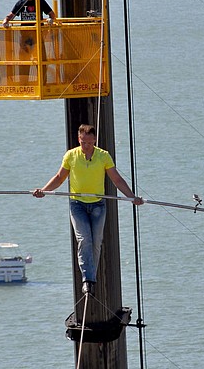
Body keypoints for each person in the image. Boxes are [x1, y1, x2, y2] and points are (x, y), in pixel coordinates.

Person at [33, 124, 144, 296]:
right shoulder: (71, 155)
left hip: (98, 204)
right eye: (83, 142)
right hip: (77, 204)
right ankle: (88, 280)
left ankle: (90, 276)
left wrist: (132, 197)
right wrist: (44, 191)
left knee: (96, 241)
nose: (86, 147)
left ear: (95, 141)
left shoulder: (103, 156)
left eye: (89, 143)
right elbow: (59, 177)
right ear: (79, 139)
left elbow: (116, 179)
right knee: (84, 239)